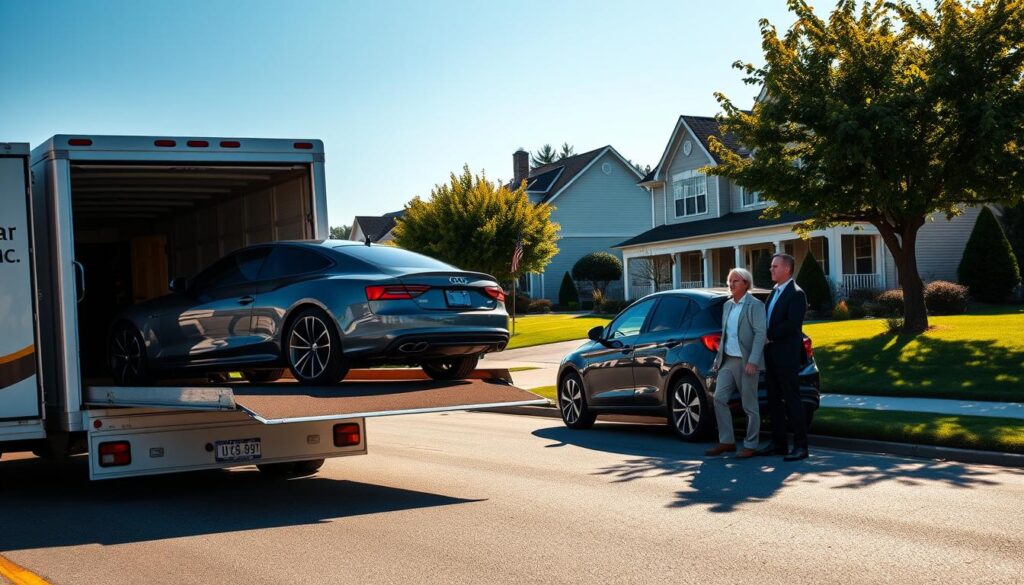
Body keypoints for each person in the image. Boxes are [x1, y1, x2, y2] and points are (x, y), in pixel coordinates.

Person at [705, 267, 766, 459]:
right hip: (728, 360)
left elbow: (760, 334)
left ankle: (751, 444)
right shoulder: (727, 306)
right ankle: (727, 441)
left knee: (749, 405)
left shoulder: (755, 305)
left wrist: (753, 361)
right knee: (719, 398)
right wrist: (717, 360)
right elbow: (725, 336)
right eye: (729, 281)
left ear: (746, 284)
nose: (731, 285)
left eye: (735, 281)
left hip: (747, 361)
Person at [757, 253, 810, 461]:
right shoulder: (774, 292)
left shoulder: (796, 294)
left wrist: (769, 335)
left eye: (775, 266)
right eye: (771, 266)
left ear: (787, 269)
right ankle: (778, 443)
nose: (771, 269)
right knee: (773, 401)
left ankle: (800, 446)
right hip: (771, 355)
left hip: (786, 356)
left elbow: (792, 324)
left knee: (792, 400)